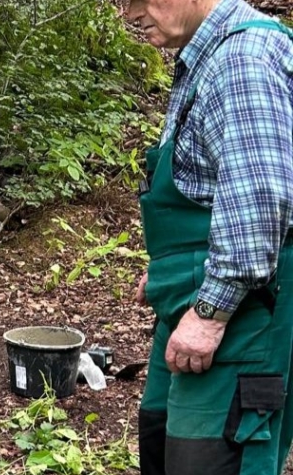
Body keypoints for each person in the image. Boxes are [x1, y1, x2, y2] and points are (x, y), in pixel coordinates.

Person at [126, 0, 293, 474]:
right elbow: (208, 189)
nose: (129, 14)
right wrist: (166, 272)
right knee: (161, 439)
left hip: (246, 311)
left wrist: (210, 314)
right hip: (192, 297)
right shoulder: (205, 57)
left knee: (208, 459)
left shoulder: (242, 59)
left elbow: (260, 203)